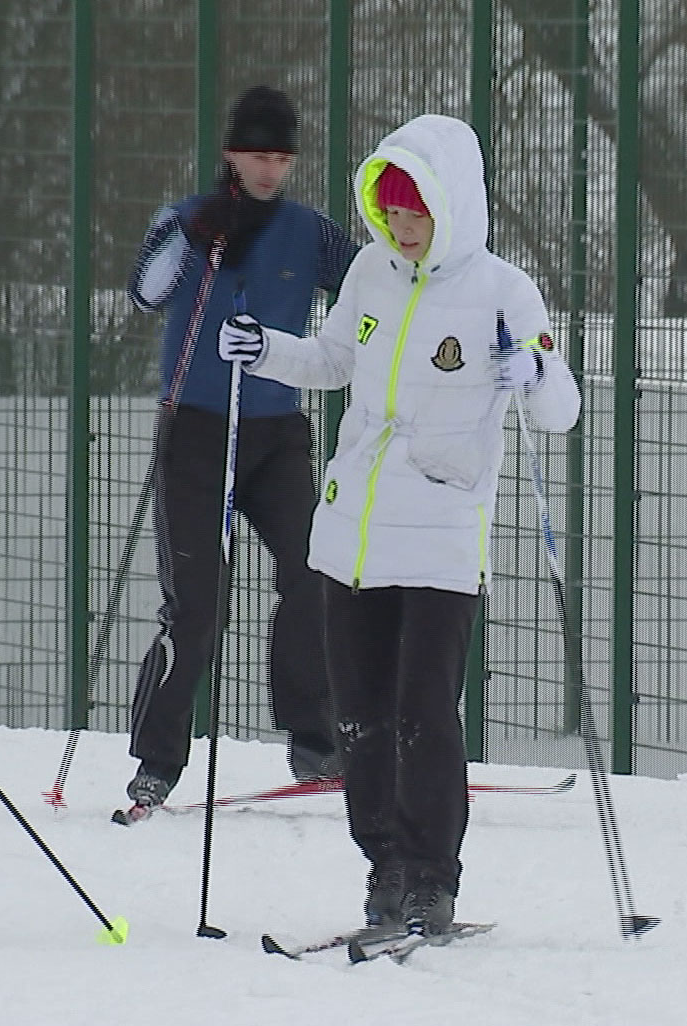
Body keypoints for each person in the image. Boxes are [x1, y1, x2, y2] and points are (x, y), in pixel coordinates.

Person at [215, 114, 581, 935]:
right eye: (390, 212)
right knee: (360, 718)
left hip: (444, 536)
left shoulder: (501, 290)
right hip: (352, 537)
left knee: (424, 714)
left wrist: (534, 369)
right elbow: (333, 360)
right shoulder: (371, 277)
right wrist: (264, 349)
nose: (402, 228)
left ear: (451, 208)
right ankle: (382, 866)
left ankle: (431, 879)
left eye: (416, 211)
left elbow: (560, 410)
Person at [120, 84, 360, 809]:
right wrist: (193, 234)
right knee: (196, 607)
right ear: (231, 155)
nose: (267, 172)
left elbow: (370, 285)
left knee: (313, 573)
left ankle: (314, 737)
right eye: (256, 157)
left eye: (279, 159)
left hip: (276, 432)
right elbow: (143, 292)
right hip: (195, 430)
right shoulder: (193, 219)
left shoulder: (307, 231)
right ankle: (158, 759)